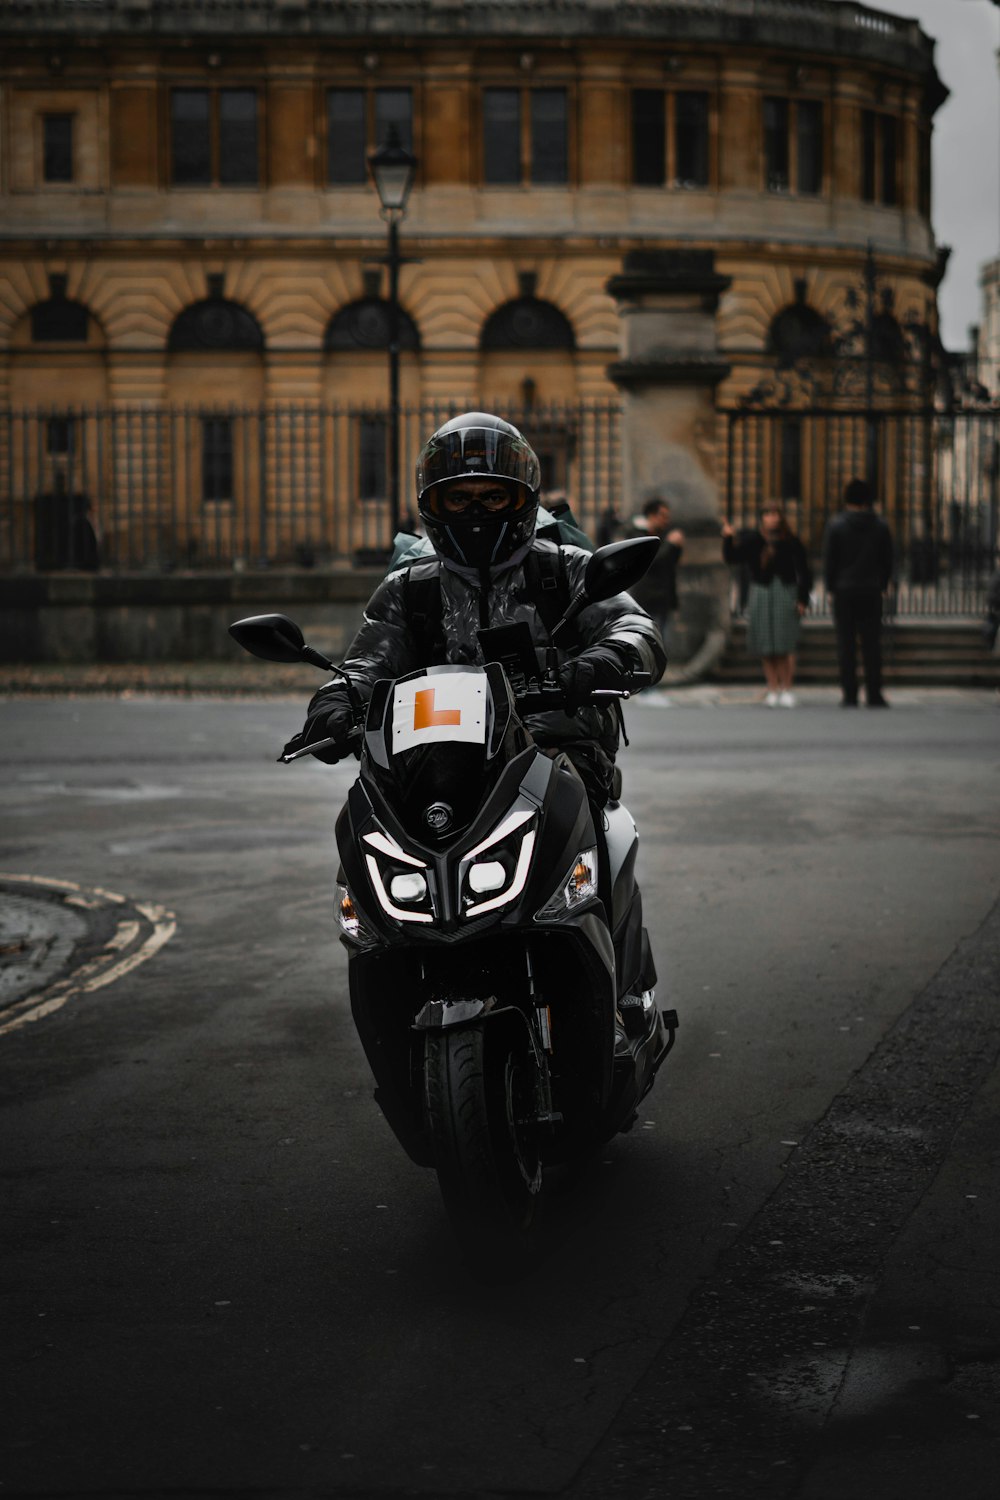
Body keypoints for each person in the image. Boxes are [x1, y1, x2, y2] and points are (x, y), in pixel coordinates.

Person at [288, 411, 666, 815]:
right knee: (365, 819)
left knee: (571, 819)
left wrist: (601, 662)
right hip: (433, 758)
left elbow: (636, 628)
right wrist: (335, 700)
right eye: (458, 498)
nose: (475, 512)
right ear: (433, 503)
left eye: (492, 497)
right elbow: (370, 662)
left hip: (557, 752)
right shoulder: (411, 588)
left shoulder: (564, 569)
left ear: (521, 499)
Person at [721, 504, 811, 707]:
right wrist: (727, 537)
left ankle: (787, 687)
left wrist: (803, 598)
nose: (772, 518)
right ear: (762, 518)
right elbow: (732, 557)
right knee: (766, 645)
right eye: (768, 514)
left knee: (784, 643)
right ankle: (772, 687)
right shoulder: (754, 540)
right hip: (761, 592)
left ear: (780, 517)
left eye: (775, 514)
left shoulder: (791, 541)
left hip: (784, 592)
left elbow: (804, 570)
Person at [822, 477, 894, 708]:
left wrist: (830, 587)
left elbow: (829, 560)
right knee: (872, 644)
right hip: (871, 590)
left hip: (844, 590)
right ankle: (874, 693)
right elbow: (888, 560)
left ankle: (849, 693)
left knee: (846, 645)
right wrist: (883, 584)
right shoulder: (881, 526)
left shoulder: (836, 525)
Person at [628, 497, 685, 644]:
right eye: (663, 516)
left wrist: (677, 548)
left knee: (661, 649)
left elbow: (670, 566)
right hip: (647, 601)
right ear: (652, 516)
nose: (666, 521)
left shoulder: (662, 536)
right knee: (648, 647)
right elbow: (651, 561)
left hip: (662, 602)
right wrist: (671, 545)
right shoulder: (637, 535)